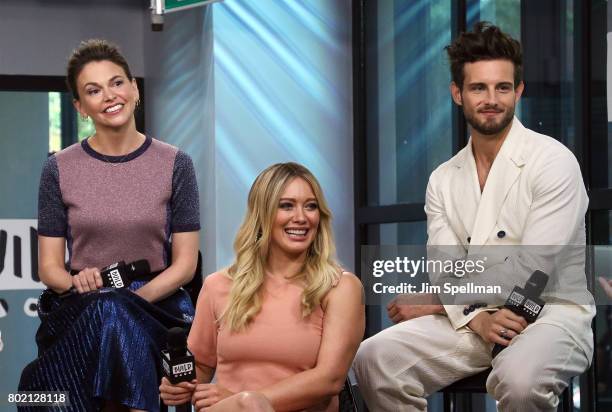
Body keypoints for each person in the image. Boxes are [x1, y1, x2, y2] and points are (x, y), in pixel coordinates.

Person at [353, 22, 595, 411]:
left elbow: (533, 269)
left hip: (551, 313)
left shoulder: (553, 162)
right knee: (376, 358)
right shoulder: (443, 180)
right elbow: (445, 270)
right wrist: (475, 318)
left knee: (520, 381)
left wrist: (434, 302)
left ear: (518, 91)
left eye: (502, 87)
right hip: (475, 318)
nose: (491, 99)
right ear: (457, 94)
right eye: (478, 88)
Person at [18, 39, 200, 412]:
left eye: (117, 83)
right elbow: (50, 268)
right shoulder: (58, 168)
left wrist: (126, 299)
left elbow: (185, 265)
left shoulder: (176, 163)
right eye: (93, 90)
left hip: (157, 306)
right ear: (79, 107)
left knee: (115, 314)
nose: (109, 96)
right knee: (107, 315)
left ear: (134, 88)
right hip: (80, 306)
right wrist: (78, 283)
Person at [159, 162, 364, 412]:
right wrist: (178, 386)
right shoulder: (218, 286)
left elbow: (329, 380)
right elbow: (199, 366)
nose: (301, 217)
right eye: (286, 205)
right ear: (262, 213)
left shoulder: (340, 288)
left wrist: (246, 399)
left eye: (310, 206)